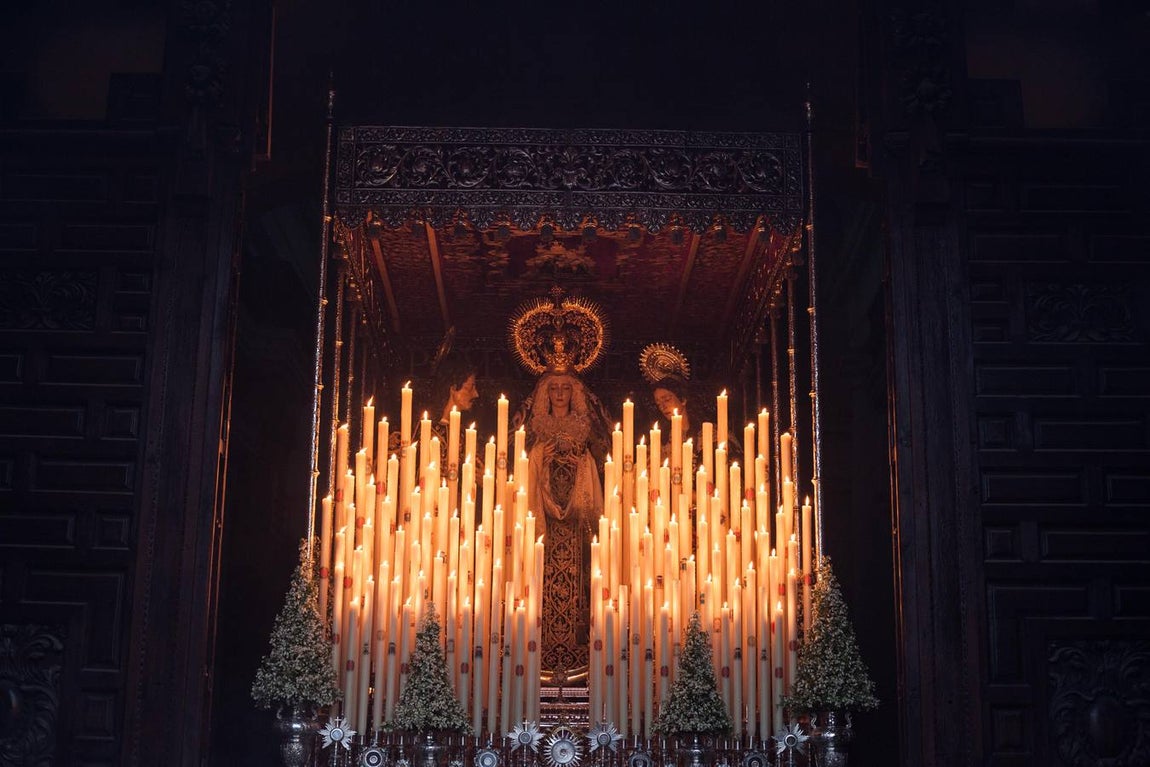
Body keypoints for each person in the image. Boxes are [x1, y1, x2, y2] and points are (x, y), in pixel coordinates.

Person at [515, 367, 611, 674]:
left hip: (576, 520)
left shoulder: (585, 428)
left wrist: (580, 461)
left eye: (565, 388)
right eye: (553, 387)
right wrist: (542, 455)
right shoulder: (534, 428)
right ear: (545, 393)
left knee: (580, 575)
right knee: (541, 573)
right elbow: (521, 463)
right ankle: (540, 643)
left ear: (574, 393)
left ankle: (576, 644)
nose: (558, 393)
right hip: (545, 519)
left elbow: (600, 461)